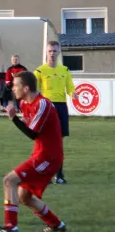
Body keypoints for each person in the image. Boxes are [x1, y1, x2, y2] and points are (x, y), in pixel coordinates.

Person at [0, 71, 67, 232]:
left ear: (26, 88)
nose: (13, 88)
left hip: (49, 157)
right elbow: (31, 128)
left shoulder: (43, 104)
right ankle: (57, 224)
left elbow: (32, 134)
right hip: (41, 154)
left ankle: (11, 227)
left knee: (9, 180)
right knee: (24, 196)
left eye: (16, 85)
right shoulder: (26, 104)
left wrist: (14, 119)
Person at [34, 41, 78, 184]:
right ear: (46, 52)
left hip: (61, 107)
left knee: (59, 142)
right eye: (50, 51)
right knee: (45, 142)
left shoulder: (64, 70)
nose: (52, 53)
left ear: (59, 52)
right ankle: (43, 174)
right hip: (47, 107)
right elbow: (35, 91)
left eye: (54, 51)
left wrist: (73, 94)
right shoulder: (39, 71)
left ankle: (59, 175)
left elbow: (70, 87)